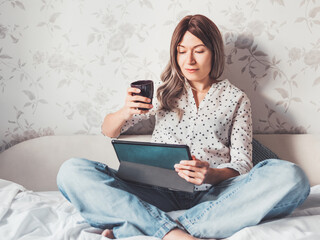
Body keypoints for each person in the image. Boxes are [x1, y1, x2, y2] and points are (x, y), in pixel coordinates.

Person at [57, 14, 310, 239]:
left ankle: (163, 227)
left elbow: (243, 164)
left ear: (214, 53)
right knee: (72, 171)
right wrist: (125, 111)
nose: (188, 59)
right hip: (155, 191)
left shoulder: (236, 98)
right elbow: (109, 130)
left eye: (199, 50)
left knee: (292, 177)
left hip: (216, 195)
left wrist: (211, 173)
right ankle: (172, 232)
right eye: (181, 50)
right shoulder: (163, 93)